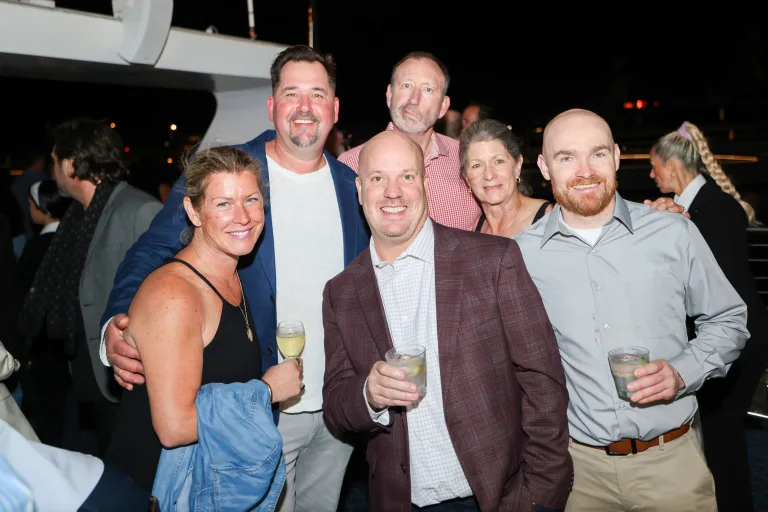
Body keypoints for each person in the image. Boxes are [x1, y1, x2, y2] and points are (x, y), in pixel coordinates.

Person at [99, 45, 369, 512]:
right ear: (272, 106)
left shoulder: (355, 187)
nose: (305, 107)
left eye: (317, 94)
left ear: (335, 108)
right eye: (291, 94)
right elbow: (152, 251)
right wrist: (118, 325)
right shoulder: (230, 171)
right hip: (257, 408)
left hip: (335, 408)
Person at [322, 130, 572, 511]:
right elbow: (337, 405)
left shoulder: (493, 260)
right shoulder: (341, 292)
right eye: (378, 178)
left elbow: (543, 381)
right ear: (359, 188)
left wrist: (536, 496)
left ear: (424, 182)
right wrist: (368, 394)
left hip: (496, 498)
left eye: (406, 176)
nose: (393, 192)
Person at [513, 109, 749, 512]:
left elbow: (729, 320)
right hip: (576, 475)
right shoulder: (522, 254)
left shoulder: (673, 232)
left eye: (598, 154)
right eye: (567, 157)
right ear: (544, 167)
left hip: (671, 466)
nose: (585, 171)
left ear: (618, 157)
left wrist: (682, 371)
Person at [104, 146, 299, 497]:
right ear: (193, 211)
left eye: (251, 200)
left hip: (206, 480)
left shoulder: (238, 275)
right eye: (223, 204)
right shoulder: (175, 296)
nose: (242, 216)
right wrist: (267, 393)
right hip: (161, 489)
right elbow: (174, 426)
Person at [17, 118, 163, 458]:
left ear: (70, 165)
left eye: (55, 160)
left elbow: (160, 298)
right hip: (91, 371)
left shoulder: (139, 209)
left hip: (130, 377)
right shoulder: (78, 218)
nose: (52, 169)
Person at [648, 121, 768, 511]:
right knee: (718, 438)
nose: (651, 175)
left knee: (722, 440)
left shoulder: (714, 209)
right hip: (730, 338)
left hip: (738, 341)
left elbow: (716, 291)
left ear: (671, 164)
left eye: (654, 167)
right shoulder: (701, 206)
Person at [338, 52, 480, 231]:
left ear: (443, 106)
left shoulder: (468, 160)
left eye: (428, 89)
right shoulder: (350, 165)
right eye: (406, 85)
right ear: (389, 95)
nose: (414, 99)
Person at [13, 180, 72, 447]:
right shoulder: (74, 238)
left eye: (31, 202)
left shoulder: (38, 246)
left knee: (44, 410)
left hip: (41, 339)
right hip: (65, 338)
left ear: (43, 208)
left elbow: (23, 293)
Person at [460, 119, 553, 237]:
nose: (489, 175)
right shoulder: (479, 226)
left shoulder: (546, 218)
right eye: (477, 165)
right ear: (467, 178)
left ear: (517, 166)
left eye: (499, 161)